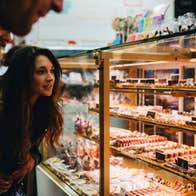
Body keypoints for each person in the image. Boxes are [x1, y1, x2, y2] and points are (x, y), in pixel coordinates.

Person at [0, 46, 64, 195]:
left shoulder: (43, 109)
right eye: (41, 72)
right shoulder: (4, 107)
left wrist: (31, 162)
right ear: (24, 76)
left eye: (52, 71)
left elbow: (35, 151)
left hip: (14, 186)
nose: (50, 78)